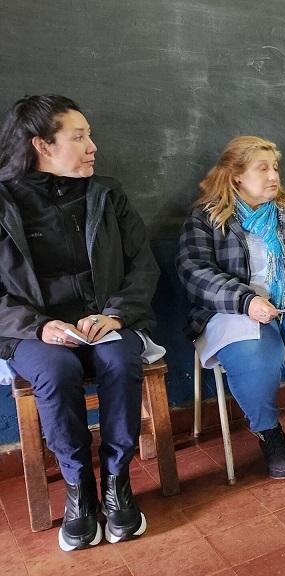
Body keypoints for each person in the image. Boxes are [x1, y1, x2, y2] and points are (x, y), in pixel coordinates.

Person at [0, 95, 161, 550]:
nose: (93, 146)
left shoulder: (107, 195)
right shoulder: (3, 203)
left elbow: (143, 267)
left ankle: (116, 481)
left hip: (106, 318)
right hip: (33, 329)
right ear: (42, 145)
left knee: (118, 358)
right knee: (56, 370)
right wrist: (39, 327)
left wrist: (114, 314)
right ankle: (78, 490)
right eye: (79, 137)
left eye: (89, 135)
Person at [178, 136, 285, 480]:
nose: (274, 176)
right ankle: (269, 432)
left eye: (275, 168)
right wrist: (245, 300)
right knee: (254, 356)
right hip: (236, 309)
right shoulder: (207, 217)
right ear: (237, 175)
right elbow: (193, 270)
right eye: (263, 169)